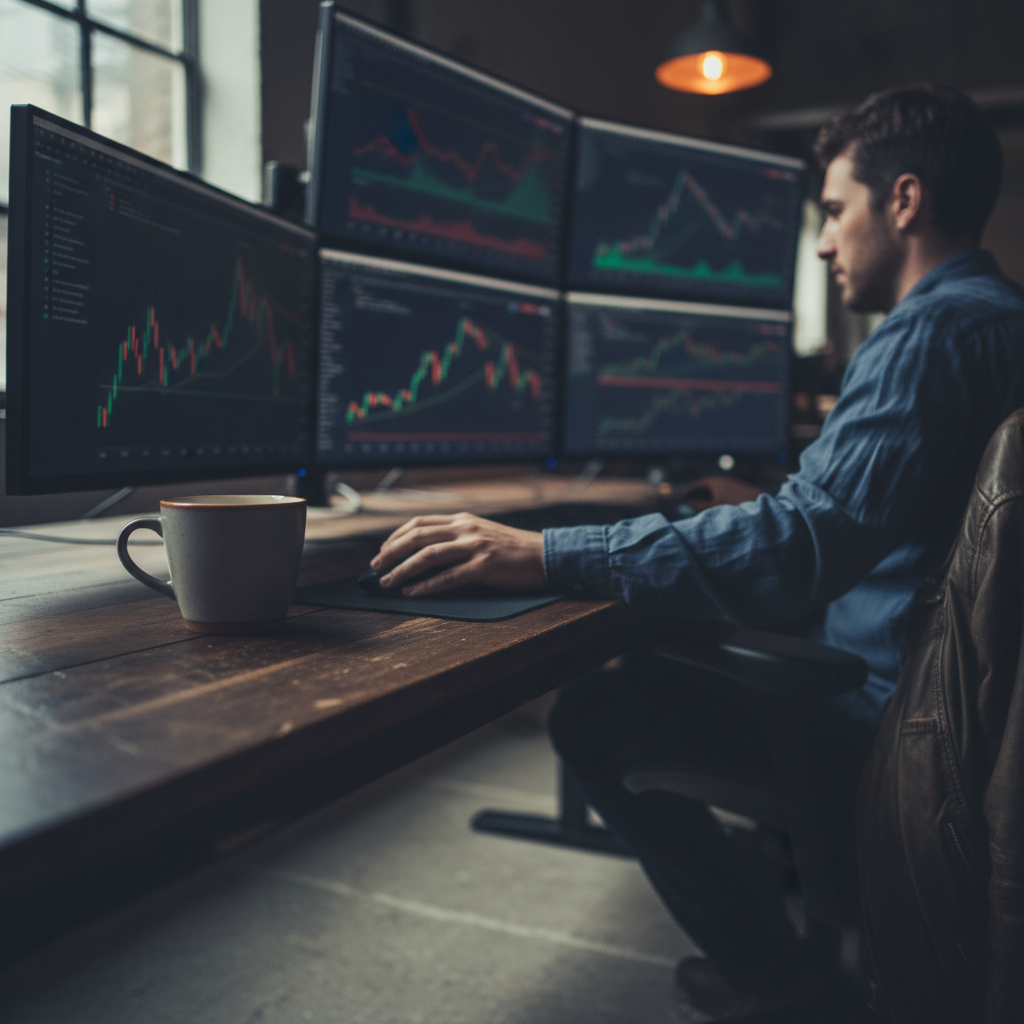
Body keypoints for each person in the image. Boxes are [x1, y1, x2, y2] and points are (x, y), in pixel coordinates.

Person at [370, 85, 1024, 1018]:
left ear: (906, 201)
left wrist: (546, 552)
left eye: (835, 212)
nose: (826, 243)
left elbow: (799, 549)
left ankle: (779, 982)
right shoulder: (1003, 320)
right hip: (966, 725)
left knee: (593, 716)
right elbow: (865, 515)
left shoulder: (929, 333)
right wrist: (765, 509)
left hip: (885, 728)